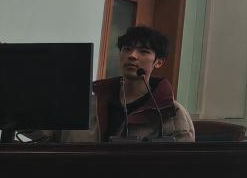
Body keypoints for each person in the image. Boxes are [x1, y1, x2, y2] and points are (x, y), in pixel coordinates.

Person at [39, 26, 195, 142]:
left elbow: (180, 164)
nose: (132, 56)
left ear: (158, 62)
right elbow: (45, 137)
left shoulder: (171, 112)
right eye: (127, 49)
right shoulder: (87, 104)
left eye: (143, 51)